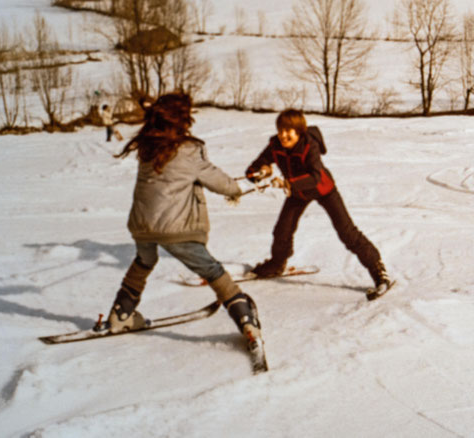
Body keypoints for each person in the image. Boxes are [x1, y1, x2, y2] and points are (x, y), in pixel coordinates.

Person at [106, 92, 263, 349]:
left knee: (145, 261)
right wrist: (236, 189)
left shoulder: (148, 147)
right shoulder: (189, 150)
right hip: (175, 228)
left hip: (142, 225)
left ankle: (120, 315)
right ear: (182, 120)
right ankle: (246, 319)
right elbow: (218, 181)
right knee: (212, 270)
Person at [245, 108, 392, 298]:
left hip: (323, 190)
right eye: (281, 130)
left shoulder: (309, 145)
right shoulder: (275, 145)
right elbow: (255, 166)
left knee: (347, 232)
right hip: (297, 193)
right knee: (282, 229)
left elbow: (315, 176)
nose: (283, 135)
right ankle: (277, 263)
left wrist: (288, 183)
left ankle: (378, 271)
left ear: (299, 131)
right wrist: (261, 172)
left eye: (288, 131)